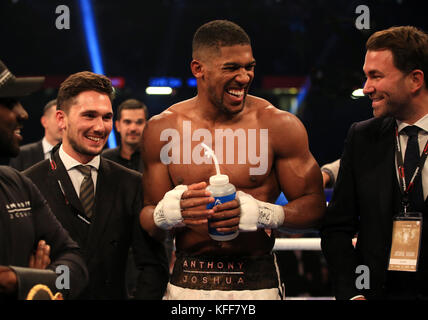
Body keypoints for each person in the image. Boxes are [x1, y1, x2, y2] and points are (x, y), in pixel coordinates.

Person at [140, 19, 325, 300]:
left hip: (257, 283)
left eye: (249, 67)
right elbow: (147, 218)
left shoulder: (278, 125)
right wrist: (166, 213)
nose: (244, 77)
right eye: (231, 68)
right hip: (187, 283)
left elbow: (315, 206)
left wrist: (265, 214)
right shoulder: (162, 129)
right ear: (198, 69)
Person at [24, 71, 169, 299]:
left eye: (106, 117)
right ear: (61, 119)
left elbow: (153, 266)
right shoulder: (29, 183)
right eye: (89, 115)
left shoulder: (130, 183)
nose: (100, 127)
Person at [321, 26, 428, 300]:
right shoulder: (362, 137)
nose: (366, 88)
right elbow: (337, 228)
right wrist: (353, 294)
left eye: (375, 76)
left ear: (415, 80)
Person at [0, 59, 88, 300]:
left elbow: (75, 262)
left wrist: (25, 281)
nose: (23, 113)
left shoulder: (18, 184)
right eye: (9, 103)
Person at [9, 99, 63, 171]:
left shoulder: (77, 154)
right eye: (58, 118)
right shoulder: (22, 155)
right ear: (44, 121)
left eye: (64, 118)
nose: (62, 123)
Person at [102, 98, 147, 173]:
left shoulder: (155, 159)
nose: (133, 128)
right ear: (117, 126)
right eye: (127, 122)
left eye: (139, 122)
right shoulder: (105, 158)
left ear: (146, 125)